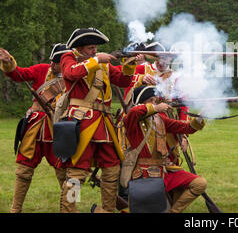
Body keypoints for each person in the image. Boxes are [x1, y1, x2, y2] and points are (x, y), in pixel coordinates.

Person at [59, 28, 138, 213]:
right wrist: (96, 60)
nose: (94, 51)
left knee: (111, 171)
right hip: (82, 122)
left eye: (95, 48)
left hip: (104, 124)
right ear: (80, 48)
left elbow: (125, 81)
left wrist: (129, 63)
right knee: (76, 174)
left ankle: (108, 210)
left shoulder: (102, 64)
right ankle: (69, 210)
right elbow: (71, 73)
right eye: (91, 48)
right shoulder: (68, 57)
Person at [0, 43, 71, 213]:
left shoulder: (73, 75)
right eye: (52, 62)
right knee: (23, 171)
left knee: (69, 175)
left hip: (60, 129)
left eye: (56, 62)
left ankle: (71, 208)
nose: (52, 65)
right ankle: (15, 209)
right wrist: (8, 61)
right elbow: (20, 74)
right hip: (35, 129)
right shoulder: (41, 69)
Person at [123, 85, 207, 213]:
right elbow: (134, 112)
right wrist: (155, 108)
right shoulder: (133, 118)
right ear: (141, 102)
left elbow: (186, 128)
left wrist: (200, 117)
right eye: (150, 100)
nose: (154, 103)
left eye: (155, 100)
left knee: (199, 183)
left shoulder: (159, 119)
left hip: (163, 172)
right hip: (144, 176)